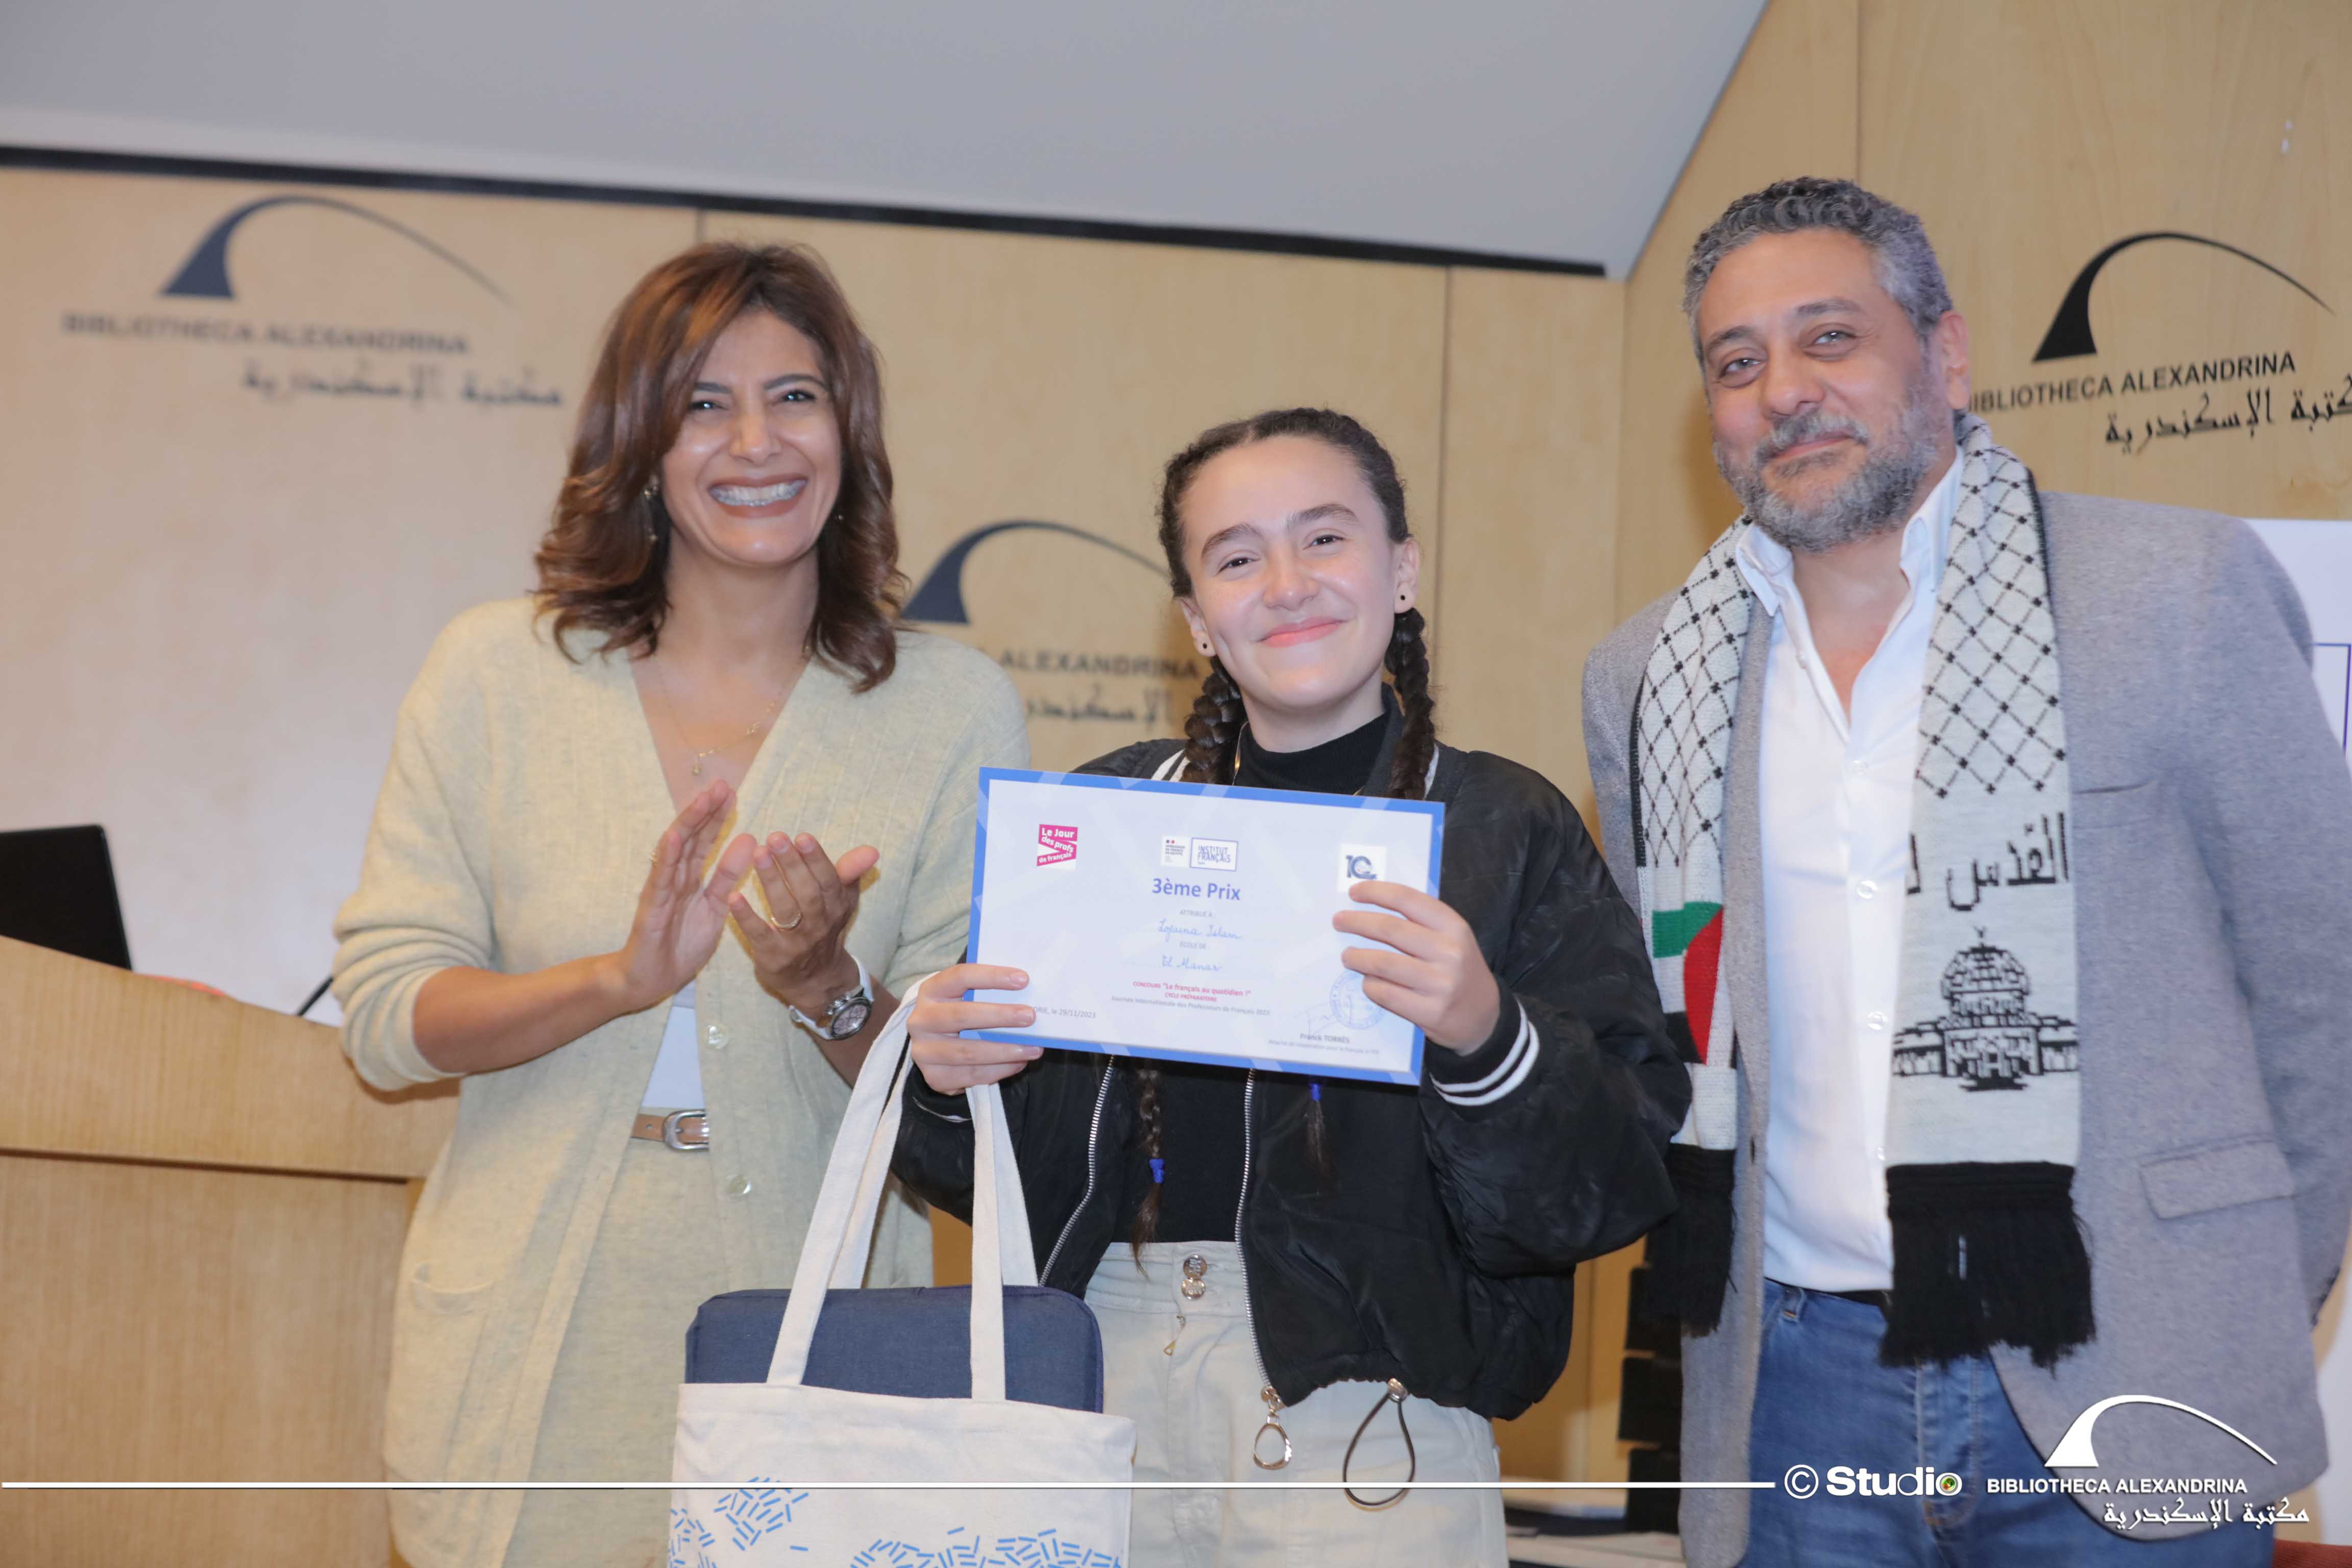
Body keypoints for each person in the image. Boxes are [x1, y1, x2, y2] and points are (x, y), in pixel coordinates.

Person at [1581, 177, 2352, 1566]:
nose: (1784, 391)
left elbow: (2323, 985)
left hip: (2138, 1362)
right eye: (1737, 362)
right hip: (1797, 1385)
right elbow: (1661, 1033)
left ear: (1945, 355)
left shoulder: (2176, 595)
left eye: (1830, 338)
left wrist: (2233, 1296)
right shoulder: (1649, 676)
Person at [890, 407, 1688, 1567]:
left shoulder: (1505, 828)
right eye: (1236, 558)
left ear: (1402, 570)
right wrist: (947, 1077)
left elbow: (1611, 1187)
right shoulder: (1106, 820)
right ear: (1195, 620)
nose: (1286, 585)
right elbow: (997, 1179)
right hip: (1092, 1389)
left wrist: (1489, 1036)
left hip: (1369, 1413)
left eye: (1324, 538)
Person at [332, 241, 1027, 1568]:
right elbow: (387, 1018)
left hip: (820, 1344)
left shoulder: (952, 710)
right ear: (642, 444)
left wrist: (827, 984)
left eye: (795, 397)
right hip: (533, 1339)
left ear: (848, 430)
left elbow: (968, 1101)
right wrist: (618, 981)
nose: (755, 442)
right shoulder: (495, 675)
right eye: (704, 403)